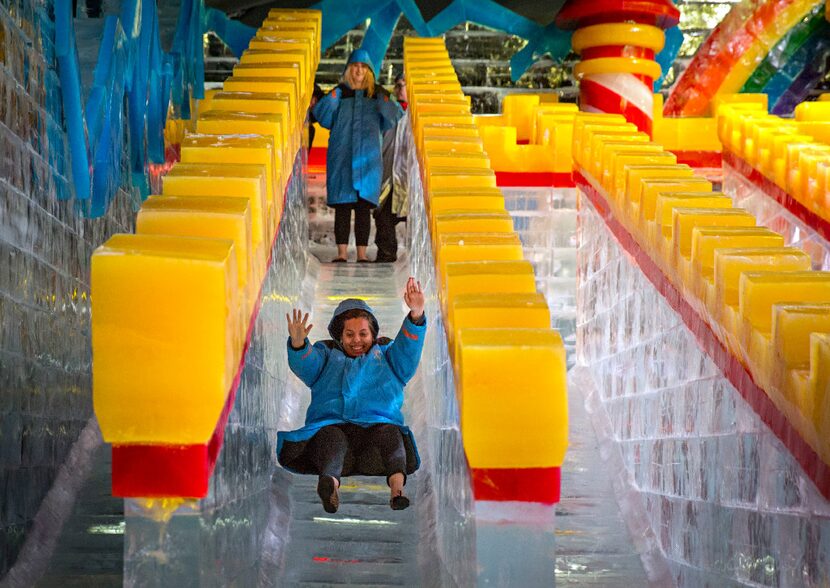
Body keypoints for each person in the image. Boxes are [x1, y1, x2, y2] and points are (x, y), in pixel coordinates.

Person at [277, 278, 426, 512]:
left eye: (363, 334)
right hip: (336, 440)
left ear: (373, 334)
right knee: (331, 438)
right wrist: (298, 344)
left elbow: (408, 350)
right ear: (340, 336)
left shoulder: (387, 355)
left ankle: (397, 491)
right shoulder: (326, 355)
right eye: (349, 335)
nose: (357, 341)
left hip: (375, 449)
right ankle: (330, 485)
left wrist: (416, 315)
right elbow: (307, 365)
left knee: (392, 435)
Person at [312, 49, 404, 263]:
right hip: (342, 158)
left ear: (369, 71)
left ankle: (362, 254)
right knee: (343, 209)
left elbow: (395, 114)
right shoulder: (340, 93)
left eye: (363, 67)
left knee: (363, 209)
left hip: (368, 160)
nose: (359, 71)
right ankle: (342, 253)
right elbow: (322, 115)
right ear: (349, 70)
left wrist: (384, 95)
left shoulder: (377, 95)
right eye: (355, 66)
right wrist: (335, 95)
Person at [373, 72, 409, 263]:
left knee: (414, 219)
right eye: (398, 85)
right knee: (383, 216)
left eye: (403, 85)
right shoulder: (390, 110)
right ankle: (386, 253)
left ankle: (416, 257)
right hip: (389, 174)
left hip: (409, 179)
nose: (399, 88)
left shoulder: (418, 114)